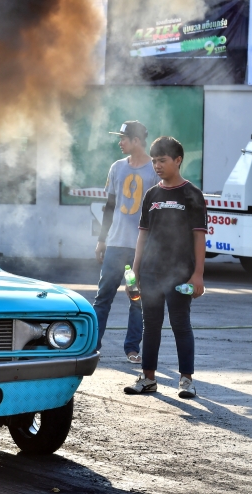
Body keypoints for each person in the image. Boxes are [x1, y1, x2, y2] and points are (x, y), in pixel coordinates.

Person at [124, 136, 206, 398]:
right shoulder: (152, 194)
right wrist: (134, 273)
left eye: (163, 160)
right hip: (150, 272)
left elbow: (199, 237)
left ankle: (186, 381)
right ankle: (148, 379)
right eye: (155, 161)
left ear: (178, 160)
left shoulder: (192, 194)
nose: (157, 165)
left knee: (181, 324)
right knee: (151, 325)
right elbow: (143, 235)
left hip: (180, 273)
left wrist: (198, 275)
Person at [94, 121, 160, 364]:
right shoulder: (117, 167)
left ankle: (132, 348)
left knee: (136, 299)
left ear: (137, 140)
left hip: (139, 250)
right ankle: (94, 346)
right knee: (103, 297)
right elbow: (109, 206)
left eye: (124, 138)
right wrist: (102, 239)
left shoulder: (154, 171)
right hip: (115, 246)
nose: (120, 142)